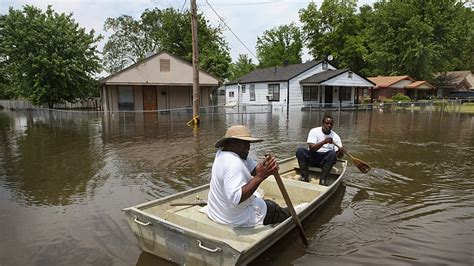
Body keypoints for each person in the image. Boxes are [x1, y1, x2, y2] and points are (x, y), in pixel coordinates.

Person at [206, 125, 290, 227]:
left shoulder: (223, 153)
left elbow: (255, 169)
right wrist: (260, 177)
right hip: (235, 219)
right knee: (272, 207)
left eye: (249, 143)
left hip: (217, 214)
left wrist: (267, 168)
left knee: (260, 198)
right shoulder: (233, 163)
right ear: (233, 143)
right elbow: (236, 199)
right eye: (245, 143)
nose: (249, 147)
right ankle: (290, 214)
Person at [296, 114, 343, 185]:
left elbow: (338, 157)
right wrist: (324, 142)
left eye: (331, 124)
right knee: (300, 151)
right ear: (323, 123)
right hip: (312, 157)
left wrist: (340, 152)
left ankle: (323, 180)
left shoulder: (336, 137)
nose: (329, 125)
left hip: (324, 162)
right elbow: (312, 149)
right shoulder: (314, 131)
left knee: (332, 154)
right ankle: (304, 177)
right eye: (327, 123)